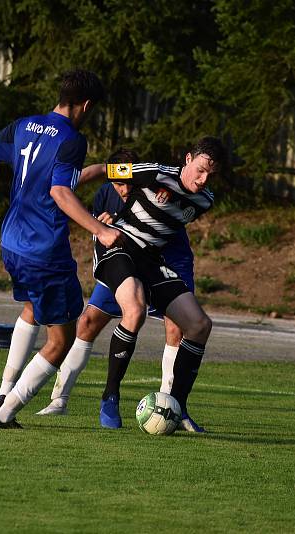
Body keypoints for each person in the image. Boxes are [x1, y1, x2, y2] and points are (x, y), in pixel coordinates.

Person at [0, 69, 122, 429]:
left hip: (12, 244)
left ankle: (5, 388)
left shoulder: (25, 125)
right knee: (62, 338)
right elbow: (60, 192)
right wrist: (100, 229)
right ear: (86, 105)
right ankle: (5, 413)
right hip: (44, 249)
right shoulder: (72, 139)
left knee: (32, 309)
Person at [35, 149, 204, 432]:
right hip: (125, 259)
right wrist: (65, 193)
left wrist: (171, 194)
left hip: (169, 259)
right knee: (88, 322)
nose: (123, 189)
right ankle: (59, 399)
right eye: (118, 182)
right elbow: (96, 215)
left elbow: (184, 189)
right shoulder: (106, 193)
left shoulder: (155, 181)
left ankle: (172, 408)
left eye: (126, 181)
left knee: (179, 327)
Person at [85, 137, 227, 430]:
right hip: (119, 246)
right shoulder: (154, 172)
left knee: (199, 325)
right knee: (134, 310)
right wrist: (60, 186)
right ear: (188, 159)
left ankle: (177, 407)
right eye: (200, 170)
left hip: (150, 259)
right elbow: (106, 169)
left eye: (210, 175)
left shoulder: (205, 200)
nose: (203, 180)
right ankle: (110, 396)